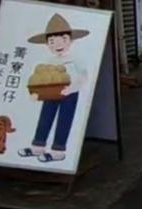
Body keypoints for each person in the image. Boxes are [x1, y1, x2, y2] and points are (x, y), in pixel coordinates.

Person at [17, 14, 89, 163]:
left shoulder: (75, 58)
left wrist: (72, 88)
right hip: (50, 92)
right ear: (47, 44)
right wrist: (35, 93)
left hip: (69, 94)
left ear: (70, 40)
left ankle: (58, 150)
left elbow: (84, 76)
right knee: (45, 117)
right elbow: (41, 78)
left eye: (63, 39)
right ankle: (38, 146)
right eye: (51, 41)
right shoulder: (49, 60)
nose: (57, 44)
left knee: (64, 119)